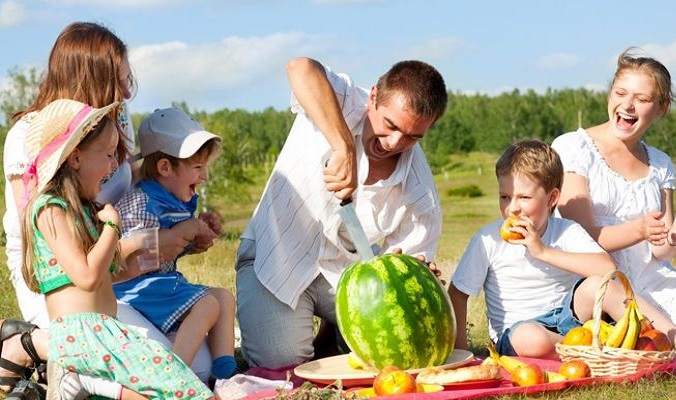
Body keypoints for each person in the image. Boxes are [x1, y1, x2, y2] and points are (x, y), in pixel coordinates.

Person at [0, 21, 212, 397]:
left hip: (114, 272)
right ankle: (35, 345)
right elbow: (54, 246)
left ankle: (66, 368)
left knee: (199, 364)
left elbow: (140, 183)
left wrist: (183, 223)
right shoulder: (31, 140)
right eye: (120, 79)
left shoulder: (111, 128)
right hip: (65, 283)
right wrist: (142, 242)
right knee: (148, 369)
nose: (128, 91)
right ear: (89, 79)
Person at [235, 57, 448, 370]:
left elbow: (403, 282)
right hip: (275, 259)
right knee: (283, 364)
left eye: (413, 137)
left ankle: (334, 330)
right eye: (390, 125)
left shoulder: (420, 196)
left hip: (346, 276)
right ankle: (329, 333)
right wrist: (344, 146)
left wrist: (410, 269)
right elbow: (300, 67)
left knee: (398, 353)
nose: (395, 143)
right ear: (373, 96)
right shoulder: (345, 99)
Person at [551, 47, 676, 364]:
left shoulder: (660, 163)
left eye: (642, 99)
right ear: (610, 93)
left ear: (661, 107)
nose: (627, 105)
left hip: (656, 279)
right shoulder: (573, 148)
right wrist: (640, 229)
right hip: (604, 287)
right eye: (620, 92)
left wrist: (673, 238)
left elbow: (660, 251)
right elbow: (584, 236)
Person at [448, 139, 676, 360]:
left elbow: (606, 268)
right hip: (519, 331)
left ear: (552, 198)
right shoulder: (488, 240)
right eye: (504, 197)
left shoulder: (566, 230)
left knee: (600, 285)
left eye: (524, 198)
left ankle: (666, 340)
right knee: (531, 339)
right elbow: (458, 293)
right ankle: (600, 349)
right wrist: (462, 354)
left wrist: (542, 251)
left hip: (570, 319)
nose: (512, 208)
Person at [113, 107, 236, 380]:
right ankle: (174, 377)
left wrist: (196, 237)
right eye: (197, 167)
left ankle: (225, 373)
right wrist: (183, 232)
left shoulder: (174, 198)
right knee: (208, 305)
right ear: (165, 167)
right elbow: (131, 257)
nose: (204, 176)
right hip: (138, 288)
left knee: (223, 298)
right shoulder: (142, 200)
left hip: (160, 284)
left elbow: (169, 247)